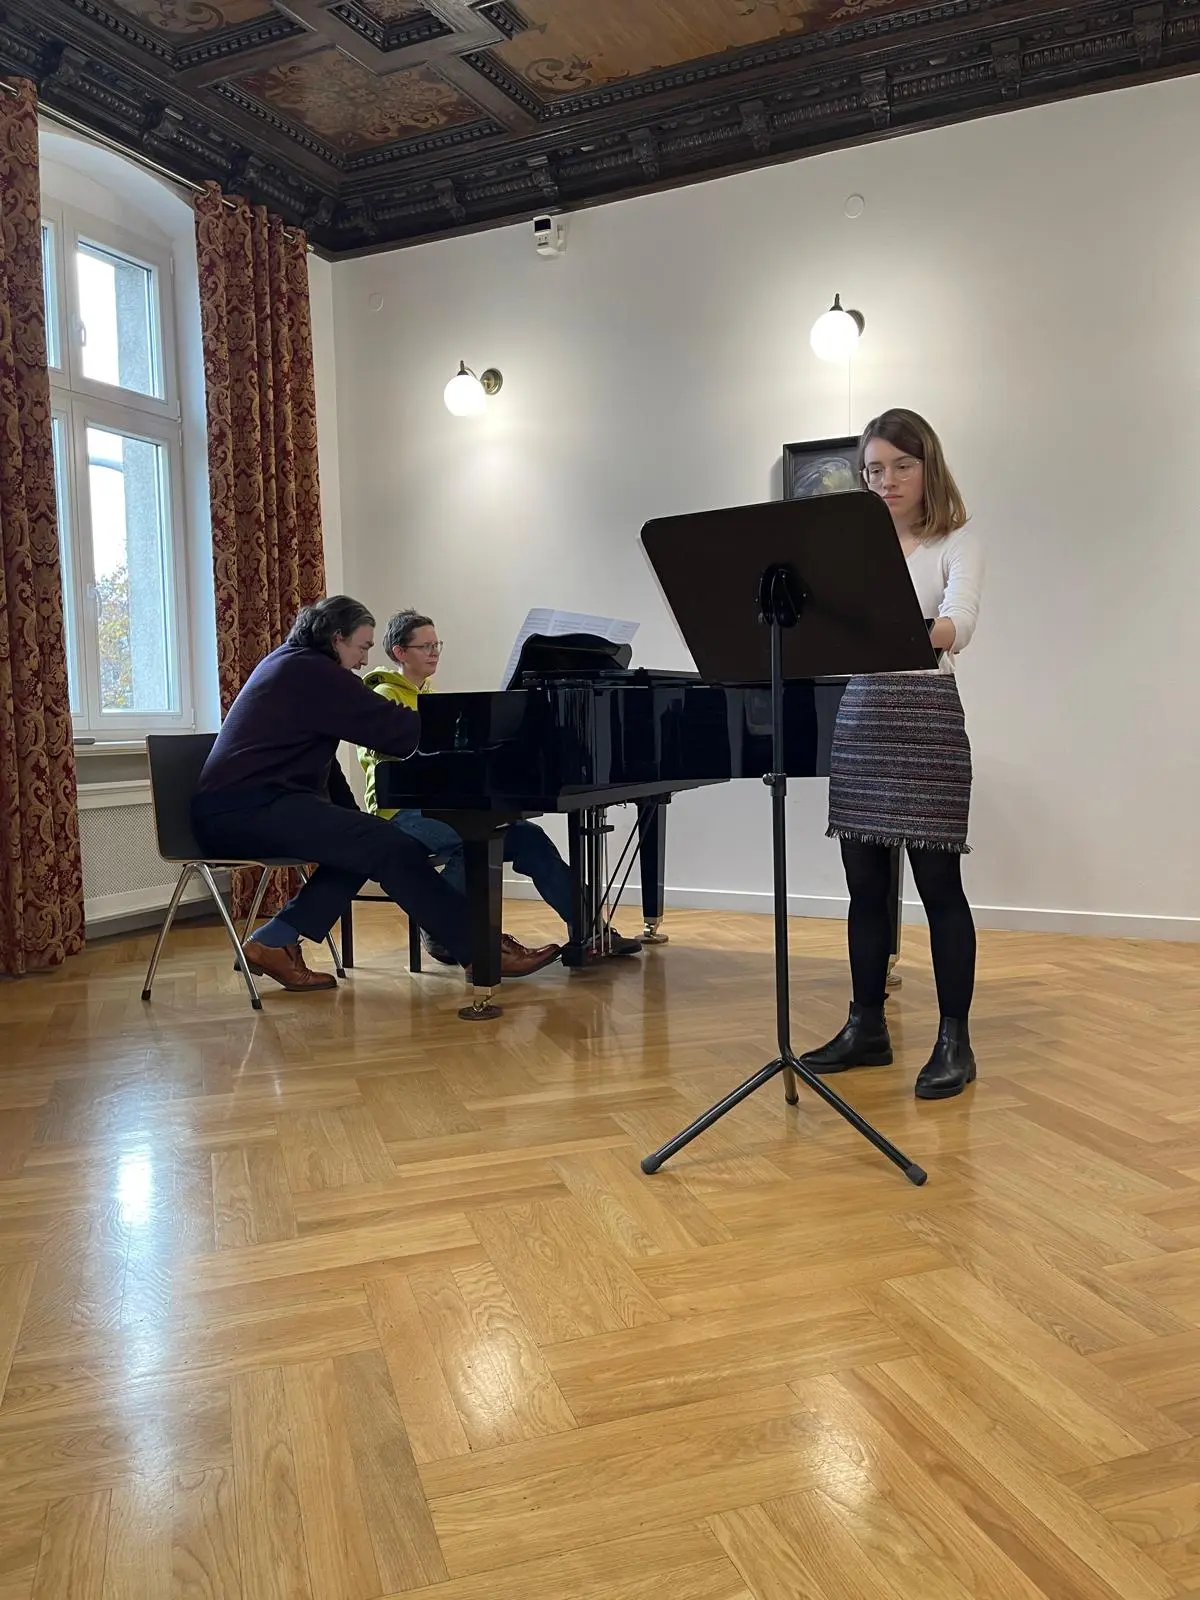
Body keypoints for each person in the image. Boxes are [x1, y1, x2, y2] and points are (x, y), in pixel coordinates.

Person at [191, 595, 560, 992]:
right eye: (362, 647)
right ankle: (481, 950)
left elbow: (324, 765)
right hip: (245, 811)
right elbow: (397, 731)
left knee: (368, 846)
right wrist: (484, 725)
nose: (365, 660)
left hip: (244, 809)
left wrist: (357, 819)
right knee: (388, 846)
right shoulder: (312, 672)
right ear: (336, 638)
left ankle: (274, 941)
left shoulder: (291, 665)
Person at [800, 410, 984, 1099]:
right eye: (874, 469)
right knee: (865, 888)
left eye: (901, 466)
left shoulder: (957, 541)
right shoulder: (857, 552)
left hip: (927, 715)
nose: (887, 480)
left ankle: (955, 1041)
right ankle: (866, 1027)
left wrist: (889, 625)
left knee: (939, 887)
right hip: (862, 716)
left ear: (928, 467)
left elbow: (957, 626)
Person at [357, 609, 641, 961]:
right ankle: (441, 926)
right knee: (473, 838)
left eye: (436, 644)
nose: (434, 653)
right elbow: (389, 754)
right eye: (424, 646)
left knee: (529, 838)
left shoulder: (429, 693)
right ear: (400, 652)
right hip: (399, 812)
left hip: (441, 804)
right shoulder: (383, 695)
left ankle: (590, 930)